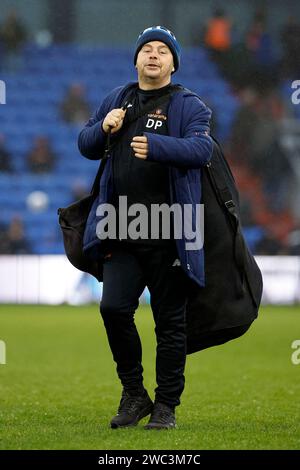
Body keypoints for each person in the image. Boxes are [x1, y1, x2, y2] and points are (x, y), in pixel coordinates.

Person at [78, 26, 213, 430]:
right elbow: (84, 144)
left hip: (171, 230)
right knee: (113, 308)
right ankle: (135, 394)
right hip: (120, 227)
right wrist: (103, 128)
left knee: (170, 322)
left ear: (173, 62)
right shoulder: (117, 99)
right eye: (146, 50)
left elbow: (203, 149)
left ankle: (167, 406)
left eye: (162, 51)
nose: (153, 56)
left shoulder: (189, 105)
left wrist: (159, 148)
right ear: (136, 59)